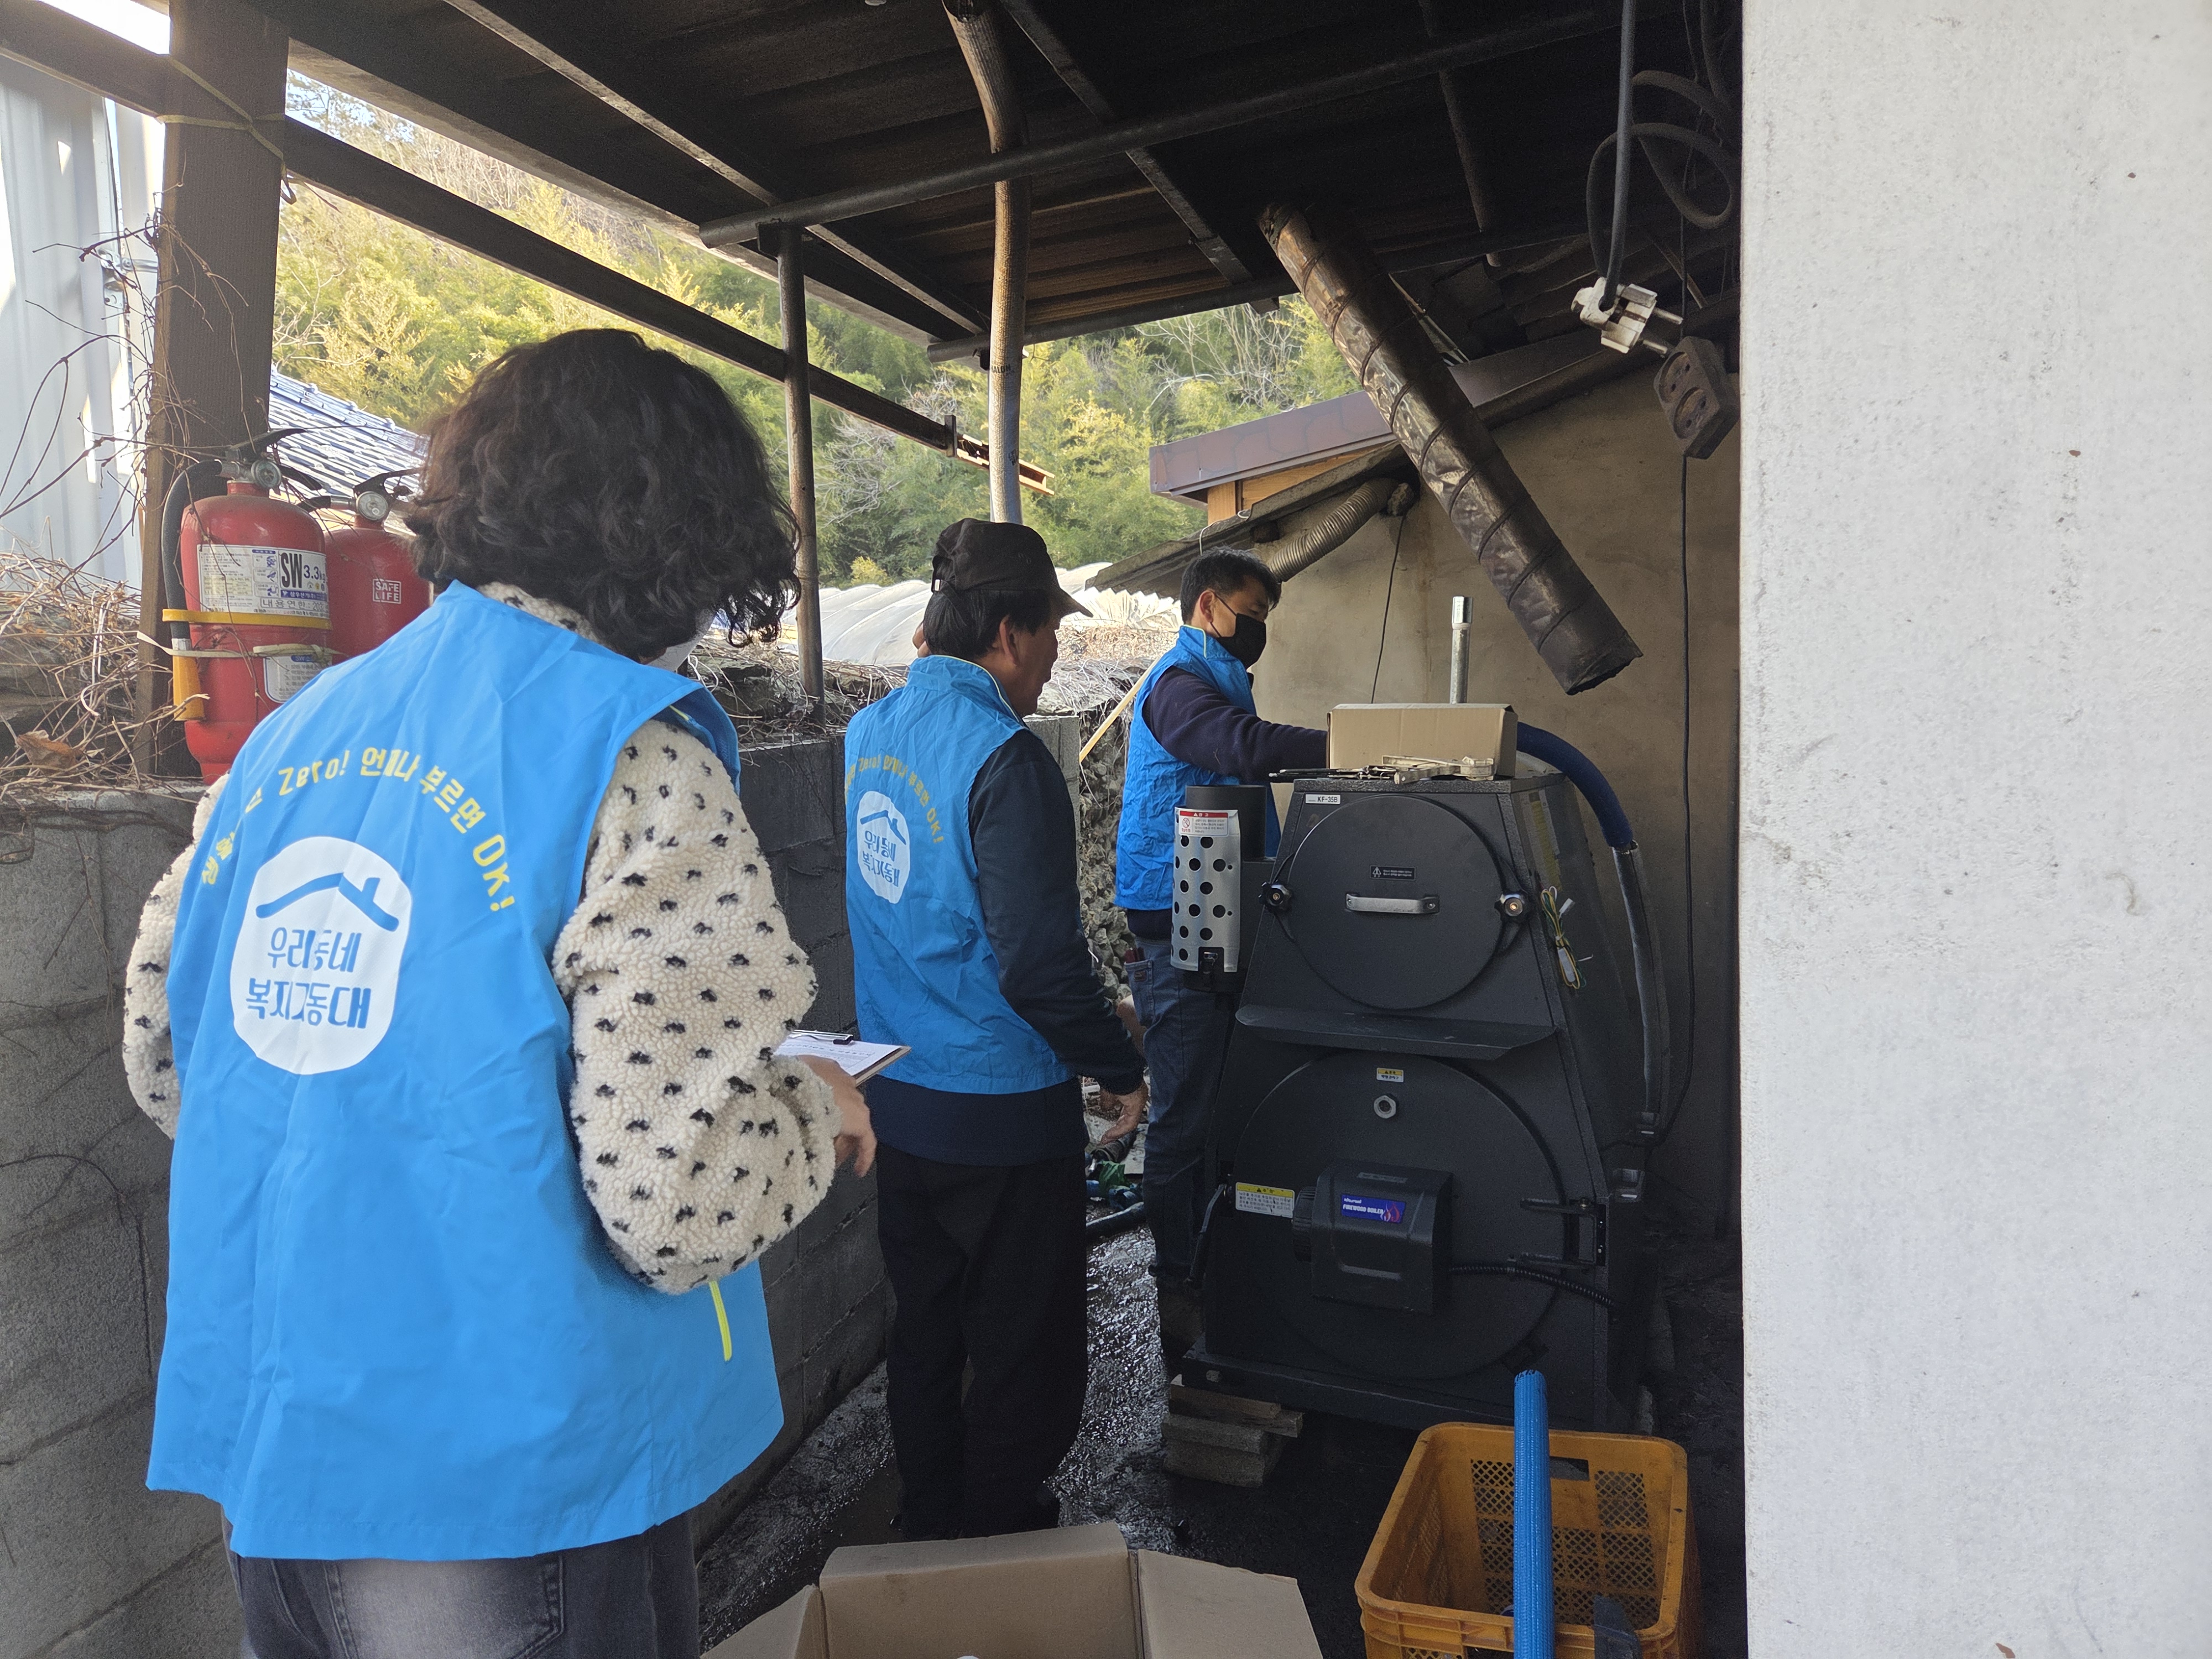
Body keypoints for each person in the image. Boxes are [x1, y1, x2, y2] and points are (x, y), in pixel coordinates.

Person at [121, 329, 873, 1659]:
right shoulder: (629, 753)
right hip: (499, 1476)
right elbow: (675, 1206)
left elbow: (167, 1057)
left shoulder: (288, 742)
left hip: (280, 1445)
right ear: (690, 534)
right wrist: (813, 1107)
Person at [845, 518, 1149, 1540]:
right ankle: (1000, 1543)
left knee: (928, 1335)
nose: (1058, 652)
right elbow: (1038, 965)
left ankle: (932, 1525)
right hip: (999, 1115)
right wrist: (1117, 1064)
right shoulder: (1007, 759)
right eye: (1052, 630)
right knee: (1026, 1351)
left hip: (899, 1101)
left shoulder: (868, 735)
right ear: (1010, 632)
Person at [1113, 548, 1327, 1364]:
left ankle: (1222, 1258)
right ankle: (1179, 1284)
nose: (1258, 631)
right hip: (1178, 915)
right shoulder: (1179, 685)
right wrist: (1353, 743)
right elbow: (1241, 748)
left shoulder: (1220, 678)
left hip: (1216, 903)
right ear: (1207, 607)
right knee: (1185, 1112)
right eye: (1251, 614)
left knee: (1221, 1098)